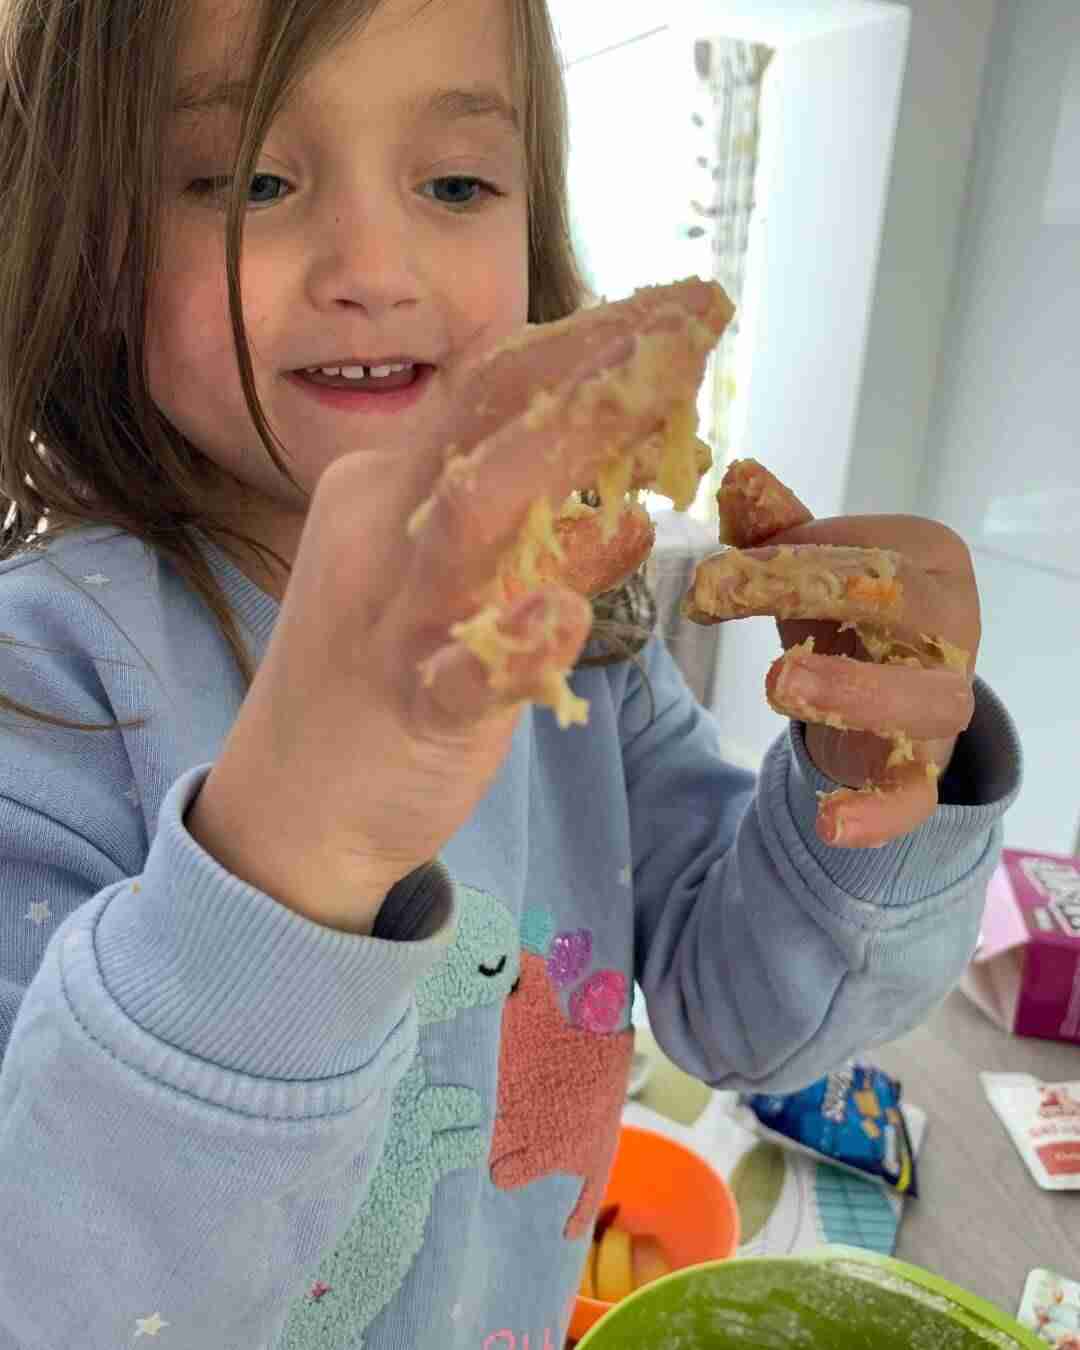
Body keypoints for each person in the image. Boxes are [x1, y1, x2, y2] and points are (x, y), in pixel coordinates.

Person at [0, 0, 1020, 1345]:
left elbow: (752, 1016)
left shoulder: (580, 630)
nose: (375, 261)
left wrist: (865, 779)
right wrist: (291, 849)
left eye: (458, 182)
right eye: (250, 179)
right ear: (86, 229)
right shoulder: (48, 678)